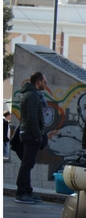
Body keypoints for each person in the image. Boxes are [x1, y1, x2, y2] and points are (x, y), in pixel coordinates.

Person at [15, 72, 48, 204]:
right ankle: (21, 192)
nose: (46, 85)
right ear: (38, 82)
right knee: (27, 164)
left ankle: (27, 190)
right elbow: (32, 118)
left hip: (28, 133)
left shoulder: (31, 94)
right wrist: (37, 136)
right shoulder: (33, 96)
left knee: (28, 164)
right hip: (30, 134)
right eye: (45, 82)